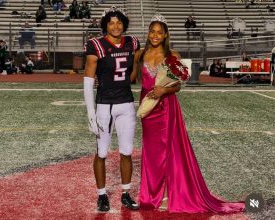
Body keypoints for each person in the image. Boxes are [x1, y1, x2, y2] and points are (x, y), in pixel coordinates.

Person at [131, 14, 245, 213]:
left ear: (165, 34)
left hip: (166, 107)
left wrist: (163, 90)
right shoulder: (139, 54)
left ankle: (169, 194)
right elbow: (131, 78)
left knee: (169, 151)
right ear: (148, 33)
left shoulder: (172, 55)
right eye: (152, 32)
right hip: (148, 107)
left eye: (159, 32)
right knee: (151, 153)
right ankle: (151, 195)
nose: (155, 35)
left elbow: (177, 86)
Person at [83, 6, 140, 212]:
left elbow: (135, 69)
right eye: (111, 22)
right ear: (105, 25)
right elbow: (89, 80)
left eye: (118, 22)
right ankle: (102, 195)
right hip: (105, 105)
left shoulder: (132, 42)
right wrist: (91, 111)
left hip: (126, 103)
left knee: (126, 152)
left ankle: (126, 193)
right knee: (102, 152)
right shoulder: (96, 45)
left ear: (124, 24)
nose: (115, 26)